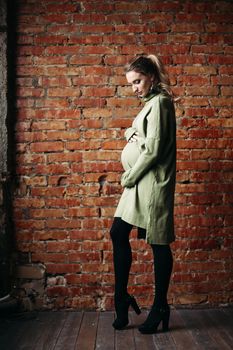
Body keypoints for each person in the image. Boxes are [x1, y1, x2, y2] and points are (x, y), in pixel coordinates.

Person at [110, 55, 176, 334]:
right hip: (139, 184)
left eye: (137, 81)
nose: (134, 88)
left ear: (151, 76)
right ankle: (122, 297)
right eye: (131, 84)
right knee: (117, 232)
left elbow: (154, 150)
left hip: (151, 183)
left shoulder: (160, 103)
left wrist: (128, 176)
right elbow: (138, 133)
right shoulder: (149, 104)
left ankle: (160, 306)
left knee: (158, 243)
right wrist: (130, 133)